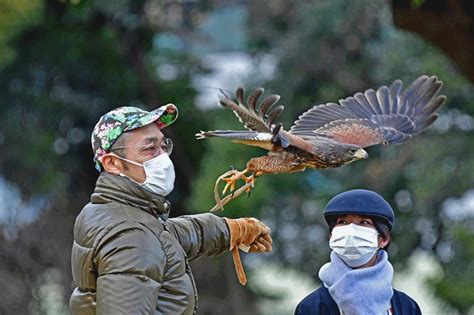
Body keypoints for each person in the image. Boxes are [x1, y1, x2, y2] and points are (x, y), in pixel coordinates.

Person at [70, 104, 272, 314]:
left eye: (163, 145)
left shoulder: (104, 210)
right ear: (112, 163)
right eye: (149, 148)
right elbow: (141, 242)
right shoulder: (132, 235)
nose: (163, 157)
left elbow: (164, 237)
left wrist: (229, 230)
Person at [295, 189, 421, 315]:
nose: (351, 231)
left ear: (383, 239)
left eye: (364, 222)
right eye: (343, 222)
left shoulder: (407, 307)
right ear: (331, 236)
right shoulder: (311, 308)